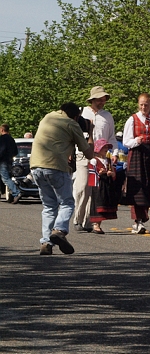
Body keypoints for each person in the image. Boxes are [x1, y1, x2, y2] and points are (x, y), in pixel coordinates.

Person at [30, 103, 95, 255]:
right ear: (76, 116)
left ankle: (46, 242)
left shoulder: (48, 117)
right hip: (56, 166)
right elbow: (89, 154)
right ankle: (59, 230)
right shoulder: (72, 124)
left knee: (49, 206)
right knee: (67, 202)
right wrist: (90, 132)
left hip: (36, 166)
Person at [73, 86, 118, 233]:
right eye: (99, 99)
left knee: (95, 190)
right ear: (92, 100)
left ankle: (89, 221)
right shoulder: (81, 114)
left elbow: (112, 137)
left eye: (103, 99)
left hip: (100, 157)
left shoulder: (107, 116)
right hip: (83, 154)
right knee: (82, 187)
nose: (102, 102)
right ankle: (77, 219)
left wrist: (114, 152)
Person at [122, 93, 150, 235]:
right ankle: (137, 220)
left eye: (146, 104)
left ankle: (142, 218)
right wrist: (135, 141)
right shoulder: (132, 119)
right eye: (141, 104)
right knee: (137, 187)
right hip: (137, 154)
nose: (143, 107)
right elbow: (126, 141)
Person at [87, 138, 118, 234]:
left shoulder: (108, 160)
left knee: (104, 202)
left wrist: (111, 173)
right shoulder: (94, 160)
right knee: (97, 202)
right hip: (98, 185)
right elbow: (92, 173)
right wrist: (100, 173)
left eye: (107, 147)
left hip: (107, 184)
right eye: (104, 147)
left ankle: (98, 224)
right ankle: (95, 224)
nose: (106, 149)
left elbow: (113, 172)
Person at [0, 123, 21, 203]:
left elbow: (1, 151)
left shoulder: (2, 139)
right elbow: (16, 151)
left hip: (2, 162)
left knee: (6, 179)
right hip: (9, 161)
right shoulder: (11, 139)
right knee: (7, 178)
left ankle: (16, 193)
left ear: (2, 130)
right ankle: (11, 195)